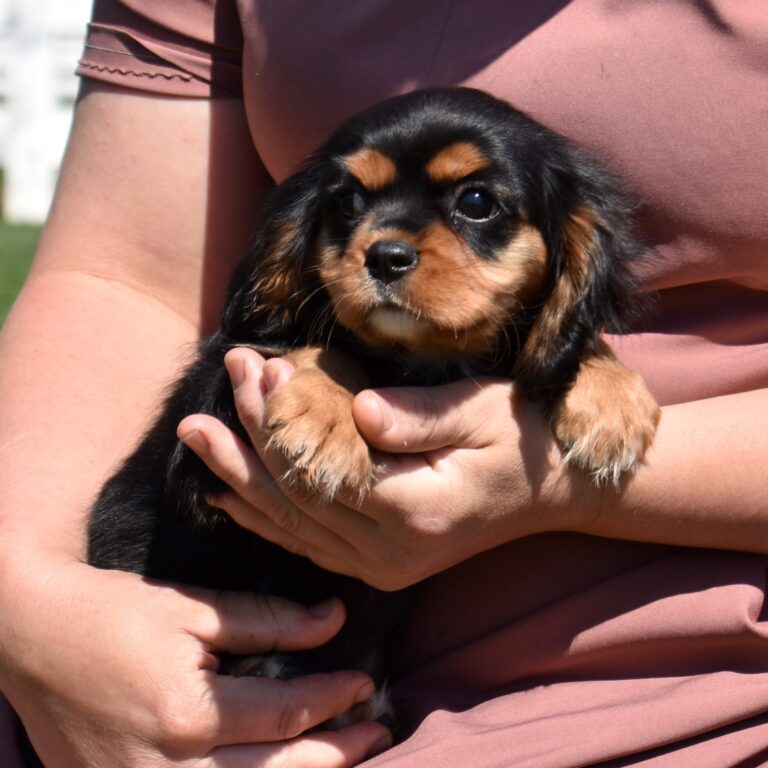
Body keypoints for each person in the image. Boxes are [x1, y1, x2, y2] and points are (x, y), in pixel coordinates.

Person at [0, 1, 766, 766]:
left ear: (574, 253)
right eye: (354, 204)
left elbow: (554, 345)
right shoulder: (306, 347)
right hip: (168, 666)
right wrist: (32, 619)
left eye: (474, 204)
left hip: (692, 704)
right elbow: (125, 283)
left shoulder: (566, 297)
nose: (387, 244)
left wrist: (572, 461)